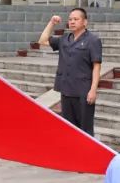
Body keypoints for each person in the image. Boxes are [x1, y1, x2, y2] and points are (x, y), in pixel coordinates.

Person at [39, 8, 103, 136]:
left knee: (85, 128)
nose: (72, 22)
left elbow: (96, 66)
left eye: (76, 19)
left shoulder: (93, 40)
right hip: (66, 89)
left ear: (85, 22)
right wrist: (51, 23)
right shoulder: (64, 39)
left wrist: (93, 90)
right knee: (69, 127)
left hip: (83, 91)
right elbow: (42, 40)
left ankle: (86, 149)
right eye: (70, 19)